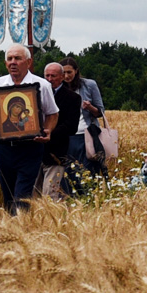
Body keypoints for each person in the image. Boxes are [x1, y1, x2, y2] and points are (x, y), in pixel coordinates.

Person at [0, 41, 57, 214]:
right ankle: (12, 230)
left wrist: (48, 130)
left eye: (17, 58)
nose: (13, 62)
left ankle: (21, 227)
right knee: (8, 194)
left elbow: (53, 114)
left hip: (31, 146)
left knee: (22, 193)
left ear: (28, 62)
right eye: (9, 59)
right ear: (5, 63)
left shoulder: (42, 85)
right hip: (4, 148)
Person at [63, 57, 108, 180]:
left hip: (87, 134)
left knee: (89, 172)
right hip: (68, 136)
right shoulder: (59, 88)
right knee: (70, 173)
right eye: (63, 73)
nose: (66, 76)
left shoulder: (89, 85)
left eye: (69, 72)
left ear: (76, 71)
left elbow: (100, 112)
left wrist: (90, 108)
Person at [44, 61, 84, 195]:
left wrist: (49, 133)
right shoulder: (36, 94)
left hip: (56, 151)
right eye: (47, 76)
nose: (50, 79)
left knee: (50, 194)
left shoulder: (73, 98)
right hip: (35, 153)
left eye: (53, 76)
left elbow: (71, 127)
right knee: (33, 195)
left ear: (62, 77)